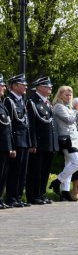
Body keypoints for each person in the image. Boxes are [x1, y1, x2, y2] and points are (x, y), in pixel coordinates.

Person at [26, 76, 57, 205]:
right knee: (35, 171)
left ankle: (41, 194)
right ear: (40, 88)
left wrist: (55, 143)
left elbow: (52, 124)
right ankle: (33, 196)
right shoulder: (32, 102)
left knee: (45, 171)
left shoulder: (48, 103)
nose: (50, 88)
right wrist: (33, 143)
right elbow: (31, 125)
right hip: (39, 143)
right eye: (47, 86)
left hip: (49, 142)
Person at [51, 85, 78, 202]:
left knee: (69, 165)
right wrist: (76, 111)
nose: (69, 97)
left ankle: (65, 191)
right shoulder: (58, 107)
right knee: (77, 163)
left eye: (70, 95)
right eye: (66, 94)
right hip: (66, 139)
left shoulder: (68, 107)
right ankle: (57, 181)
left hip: (73, 139)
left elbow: (76, 122)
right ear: (60, 95)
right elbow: (69, 120)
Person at [3, 74, 30, 208]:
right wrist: (12, 145)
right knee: (14, 171)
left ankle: (18, 197)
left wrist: (29, 142)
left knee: (22, 171)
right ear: (14, 86)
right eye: (22, 84)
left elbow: (26, 124)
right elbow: (9, 124)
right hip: (16, 140)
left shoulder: (20, 100)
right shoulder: (9, 101)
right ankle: (11, 197)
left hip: (24, 140)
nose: (25, 86)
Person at [0, 75, 11, 209]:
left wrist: (10, 146)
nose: (3, 87)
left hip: (4, 145)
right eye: (1, 85)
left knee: (3, 174)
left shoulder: (2, 104)